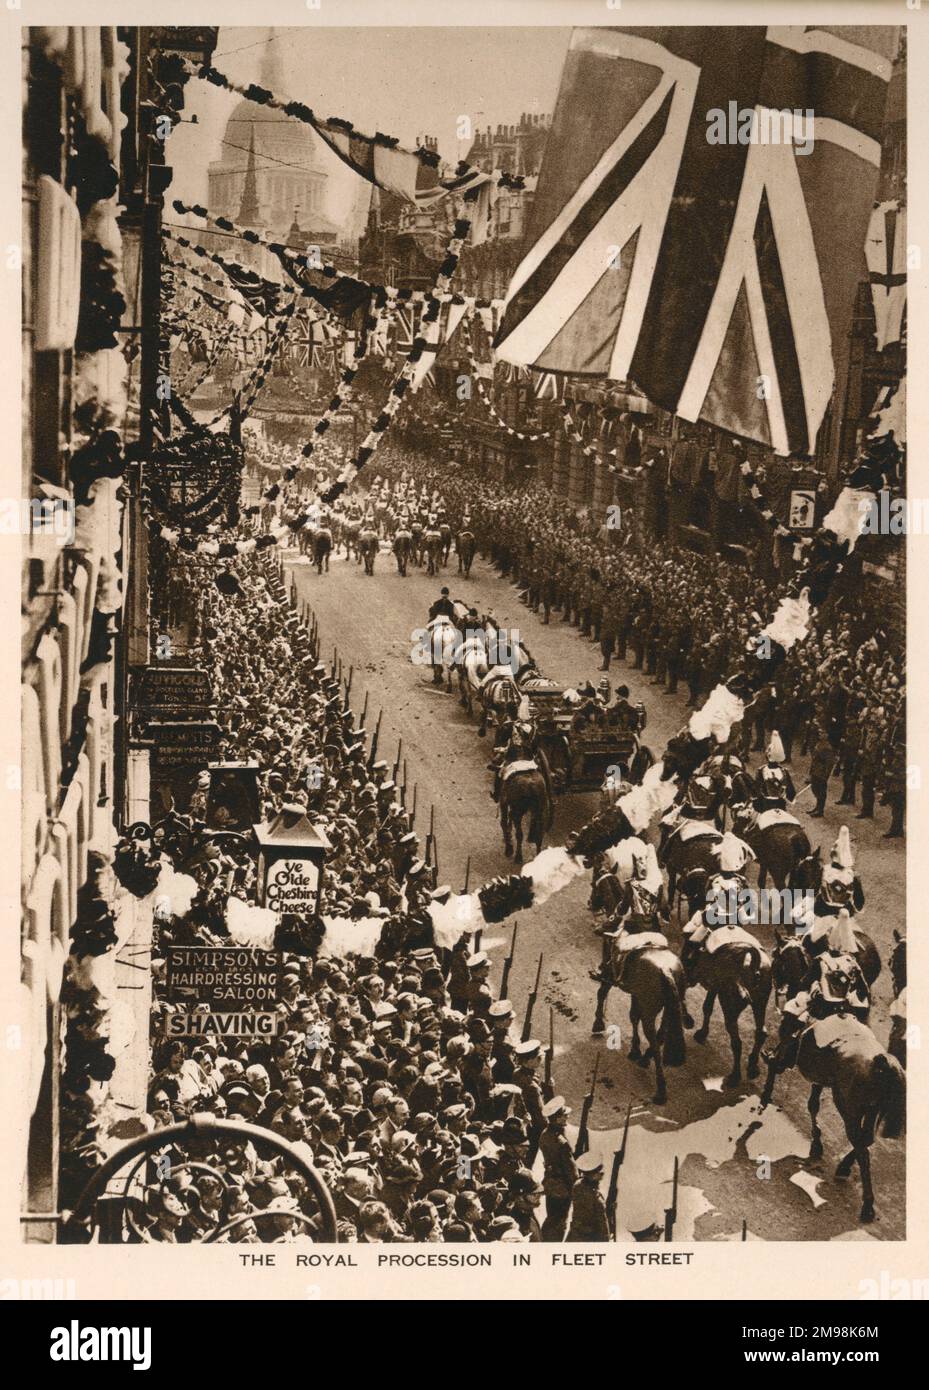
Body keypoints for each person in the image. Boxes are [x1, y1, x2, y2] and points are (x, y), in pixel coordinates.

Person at [539, 1096, 577, 1241]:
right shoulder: (561, 1142)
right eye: (564, 1115)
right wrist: (576, 1187)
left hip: (550, 1183)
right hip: (563, 1187)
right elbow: (570, 1169)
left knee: (552, 1217)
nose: (567, 1117)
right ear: (557, 1118)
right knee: (560, 1221)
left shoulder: (545, 1135)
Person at [566, 1153, 610, 1241]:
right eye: (599, 1173)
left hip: (575, 1235)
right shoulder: (596, 1198)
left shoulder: (577, 1185)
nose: (602, 1175)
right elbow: (603, 1227)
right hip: (591, 1238)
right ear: (592, 1175)